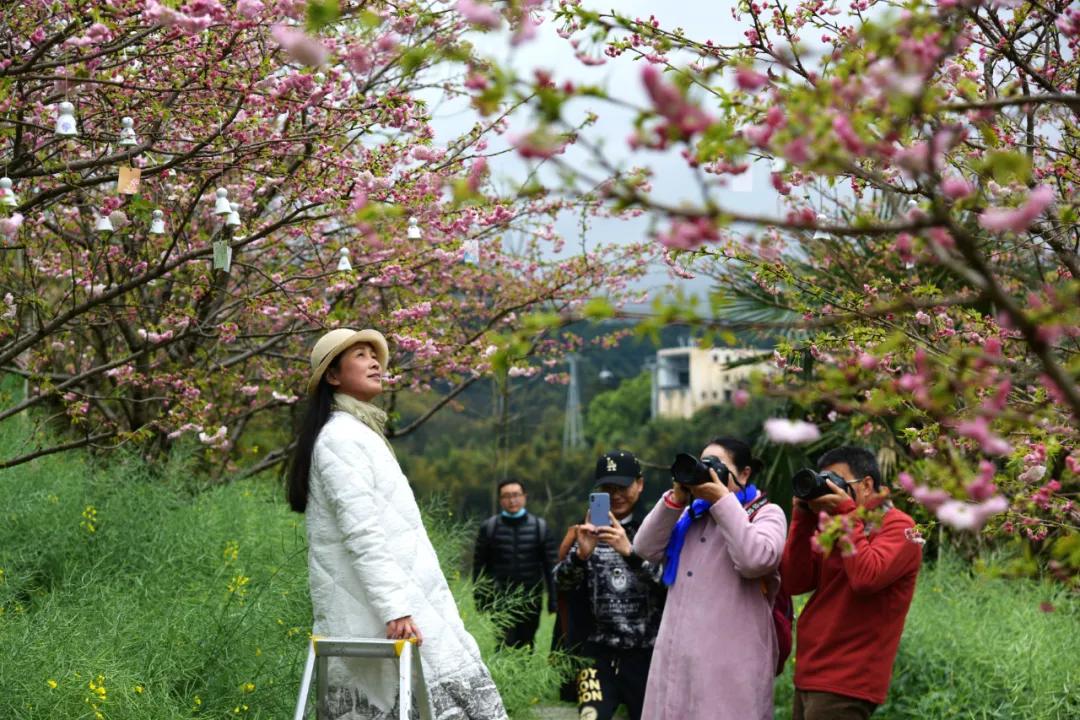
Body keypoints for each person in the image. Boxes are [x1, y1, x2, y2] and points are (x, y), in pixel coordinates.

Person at [287, 328, 507, 720]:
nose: (375, 361)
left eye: (375, 354)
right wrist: (396, 609)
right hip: (384, 611)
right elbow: (362, 533)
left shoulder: (359, 432)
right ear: (333, 376)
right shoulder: (341, 438)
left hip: (404, 600)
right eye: (360, 354)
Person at [633, 437, 787, 719]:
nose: (709, 472)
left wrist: (721, 500)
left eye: (717, 466)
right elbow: (644, 548)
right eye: (704, 465)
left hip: (729, 669)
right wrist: (677, 498)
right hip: (677, 662)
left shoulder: (766, 513)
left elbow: (755, 560)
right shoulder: (690, 517)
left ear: (744, 474)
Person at [780, 446, 923, 720]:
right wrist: (802, 520)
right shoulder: (837, 525)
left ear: (867, 485)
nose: (830, 490)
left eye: (837, 482)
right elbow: (793, 582)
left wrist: (846, 515)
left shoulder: (904, 528)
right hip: (811, 671)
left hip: (848, 678)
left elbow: (866, 578)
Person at [552, 450, 665, 720]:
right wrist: (580, 556)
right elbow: (560, 583)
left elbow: (668, 584)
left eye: (623, 487)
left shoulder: (655, 530)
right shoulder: (586, 532)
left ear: (640, 484)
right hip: (595, 655)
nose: (616, 495)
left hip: (646, 656)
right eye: (608, 489)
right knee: (591, 717)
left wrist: (630, 552)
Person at [472, 478, 558, 649]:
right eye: (506, 496)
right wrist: (480, 598)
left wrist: (553, 600)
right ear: (500, 500)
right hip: (500, 598)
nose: (512, 500)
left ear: (524, 497)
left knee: (527, 643)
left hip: (531, 599)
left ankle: (525, 676)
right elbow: (479, 566)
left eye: (516, 495)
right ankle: (504, 676)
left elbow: (551, 567)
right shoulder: (489, 528)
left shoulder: (539, 527)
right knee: (504, 644)